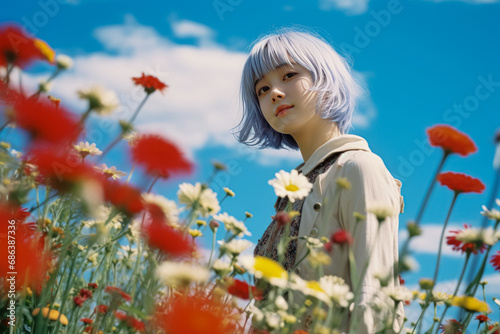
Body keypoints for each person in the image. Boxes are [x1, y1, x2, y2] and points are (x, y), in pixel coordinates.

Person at [234, 28, 405, 333]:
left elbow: (377, 300)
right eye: (262, 89)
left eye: (288, 75)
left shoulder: (359, 168)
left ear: (324, 79)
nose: (274, 92)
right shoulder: (291, 190)